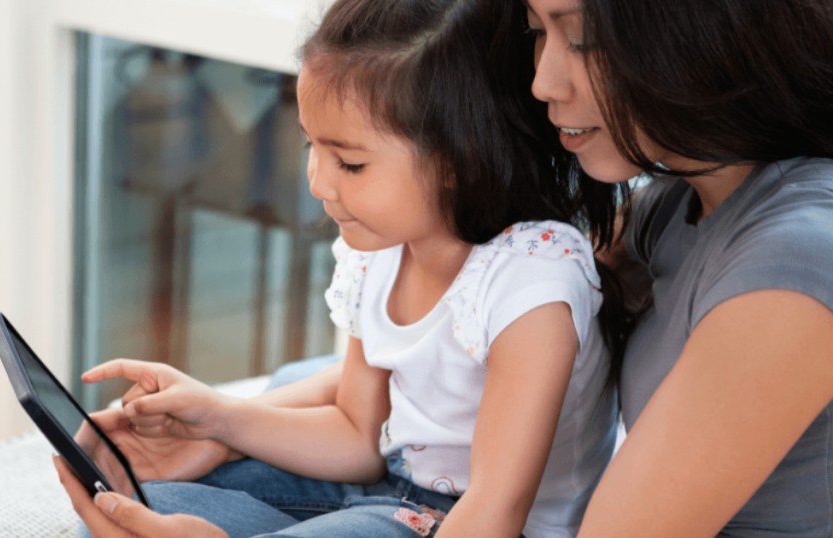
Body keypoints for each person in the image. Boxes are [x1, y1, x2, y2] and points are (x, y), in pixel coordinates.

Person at [56, 0, 630, 536]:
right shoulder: (378, 248)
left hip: (476, 522)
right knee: (138, 507)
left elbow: (496, 511)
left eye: (350, 163)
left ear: (459, 156)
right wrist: (217, 420)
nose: (317, 182)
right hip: (389, 486)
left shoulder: (530, 277)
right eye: (312, 146)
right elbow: (358, 435)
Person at [521, 0, 833, 535]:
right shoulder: (674, 205)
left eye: (582, 38)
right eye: (537, 32)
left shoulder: (796, 255)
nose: (543, 83)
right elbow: (507, 323)